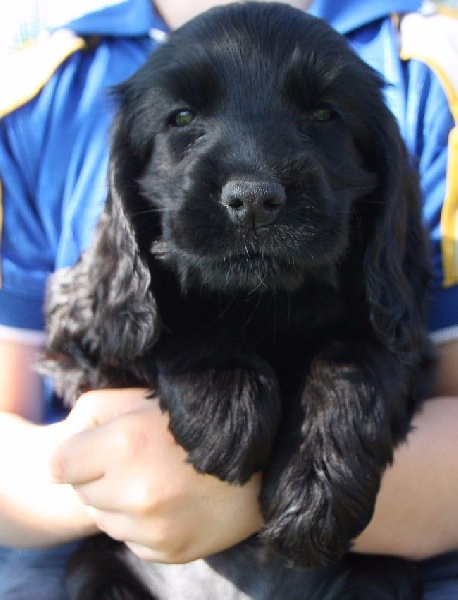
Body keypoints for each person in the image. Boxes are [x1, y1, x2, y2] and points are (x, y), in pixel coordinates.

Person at [0, 0, 457, 598]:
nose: (253, 189)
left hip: (380, 552)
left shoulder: (430, 70)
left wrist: (250, 495)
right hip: (104, 557)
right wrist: (116, 475)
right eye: (182, 118)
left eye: (322, 116)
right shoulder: (40, 97)